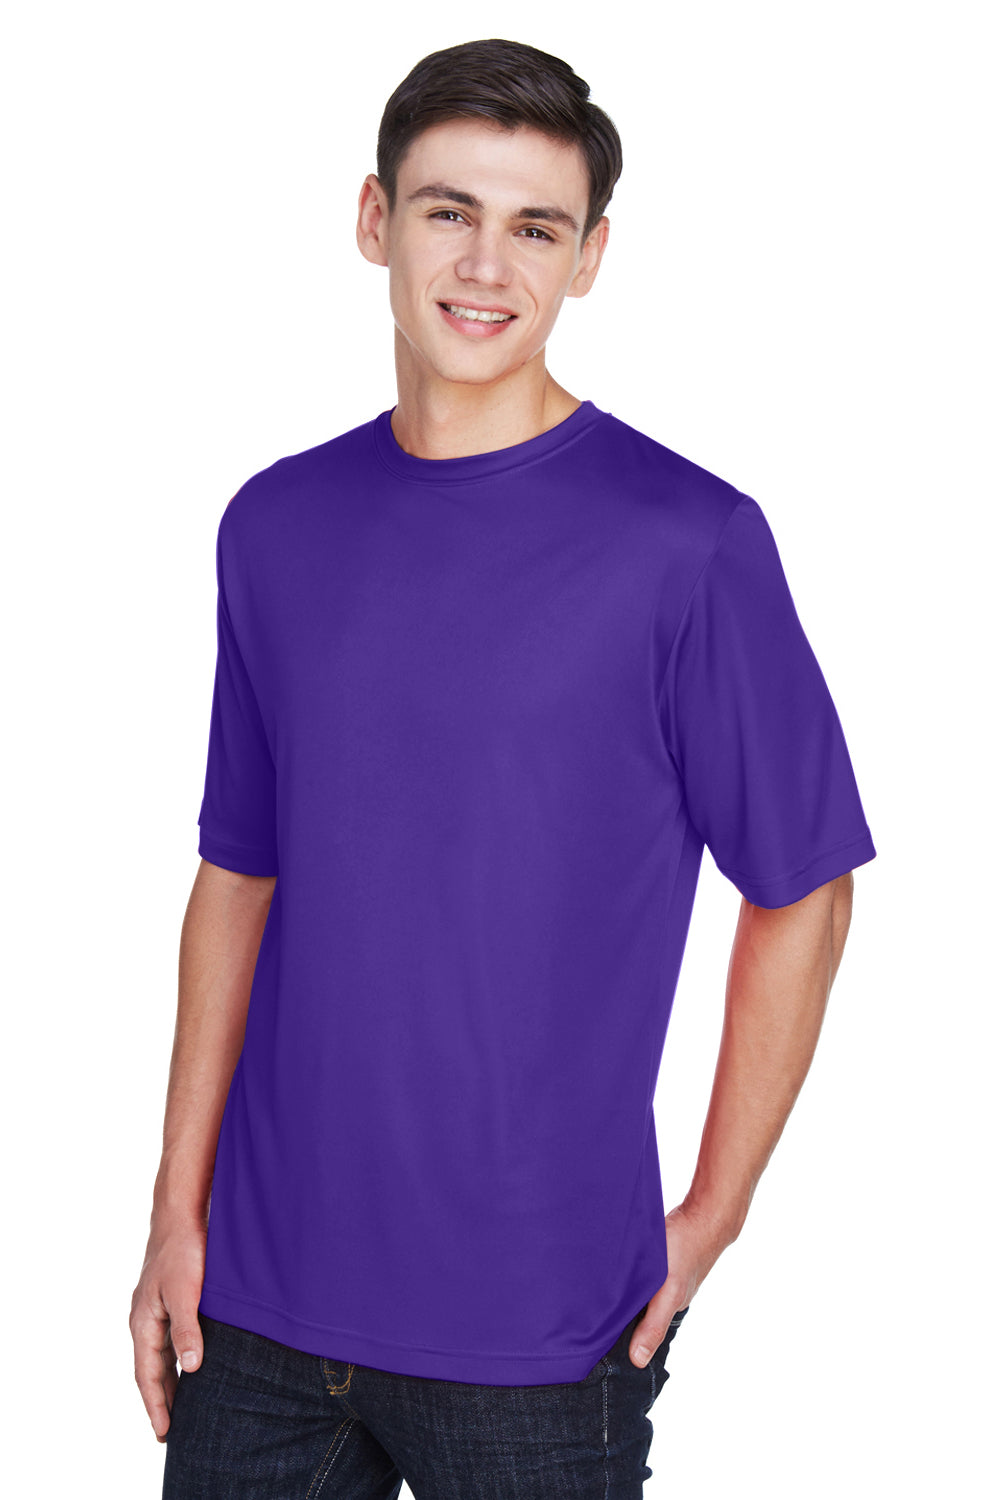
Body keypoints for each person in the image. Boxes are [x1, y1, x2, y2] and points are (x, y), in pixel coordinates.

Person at [131, 37, 876, 1499]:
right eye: (448, 211)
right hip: (257, 1316)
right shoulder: (274, 524)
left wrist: (712, 1215)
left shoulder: (689, 543)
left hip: (544, 1331)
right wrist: (174, 1213)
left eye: (537, 227)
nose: (486, 265)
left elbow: (808, 889)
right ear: (374, 220)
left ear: (589, 257)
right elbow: (238, 874)